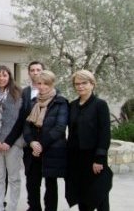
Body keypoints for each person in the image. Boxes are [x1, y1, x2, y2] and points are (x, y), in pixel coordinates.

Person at [66, 70, 112, 211]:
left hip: (94, 158)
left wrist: (99, 158)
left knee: (99, 194)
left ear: (92, 84)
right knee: (81, 195)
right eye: (77, 84)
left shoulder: (100, 105)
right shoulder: (72, 105)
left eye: (84, 83)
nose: (80, 86)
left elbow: (104, 132)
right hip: (76, 158)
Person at [23, 70, 68, 211]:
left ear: (52, 84)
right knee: (32, 183)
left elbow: (60, 128)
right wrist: (31, 142)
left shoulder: (61, 102)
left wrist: (41, 145)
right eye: (39, 83)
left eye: (45, 84)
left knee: (50, 184)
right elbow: (26, 126)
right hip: (33, 149)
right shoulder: (32, 102)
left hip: (51, 149)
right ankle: (34, 208)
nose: (41, 87)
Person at [0, 65, 25, 211]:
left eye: (4, 75)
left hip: (12, 143)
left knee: (14, 178)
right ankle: (0, 207)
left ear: (9, 77)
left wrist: (8, 141)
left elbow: (21, 120)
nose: (1, 78)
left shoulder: (18, 94)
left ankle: (12, 207)